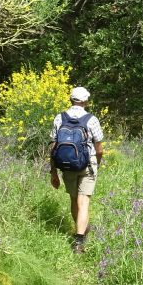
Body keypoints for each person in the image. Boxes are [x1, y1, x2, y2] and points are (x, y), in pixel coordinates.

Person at [49, 86, 104, 250]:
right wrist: (97, 164)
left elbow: (53, 146)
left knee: (74, 199)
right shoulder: (91, 119)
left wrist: (53, 172)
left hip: (66, 165)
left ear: (71, 99)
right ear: (86, 101)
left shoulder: (60, 118)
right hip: (87, 164)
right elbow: (99, 149)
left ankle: (80, 229)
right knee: (84, 201)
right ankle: (79, 240)